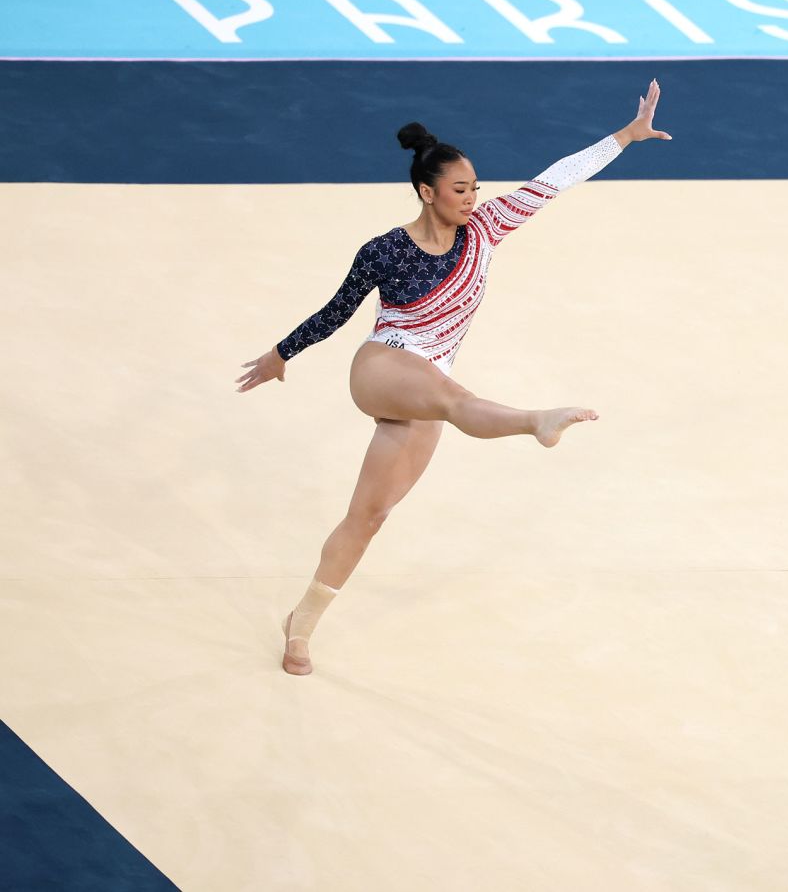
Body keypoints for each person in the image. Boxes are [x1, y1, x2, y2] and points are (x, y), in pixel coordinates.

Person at [236, 79, 671, 676]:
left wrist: (625, 136)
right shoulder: (385, 250)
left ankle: (301, 626)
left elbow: (553, 180)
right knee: (453, 398)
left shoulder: (486, 230)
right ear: (426, 190)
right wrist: (282, 353)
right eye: (459, 189)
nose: (471, 198)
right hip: (384, 366)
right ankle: (534, 421)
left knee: (369, 516)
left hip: (426, 391)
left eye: (475, 188)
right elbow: (337, 311)